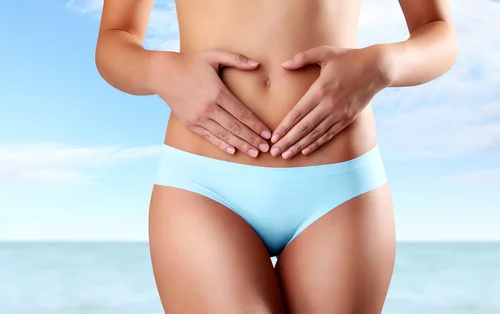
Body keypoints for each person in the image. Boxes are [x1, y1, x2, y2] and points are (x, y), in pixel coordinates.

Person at [95, 0, 458, 313]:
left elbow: (439, 33)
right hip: (204, 187)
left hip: (340, 189)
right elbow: (114, 41)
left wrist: (382, 64)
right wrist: (162, 71)